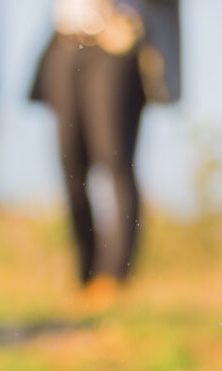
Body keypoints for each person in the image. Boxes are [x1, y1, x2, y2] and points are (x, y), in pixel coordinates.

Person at [30, 0, 183, 304]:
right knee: (70, 166)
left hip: (116, 42)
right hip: (66, 42)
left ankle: (114, 276)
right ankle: (85, 275)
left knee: (116, 163)